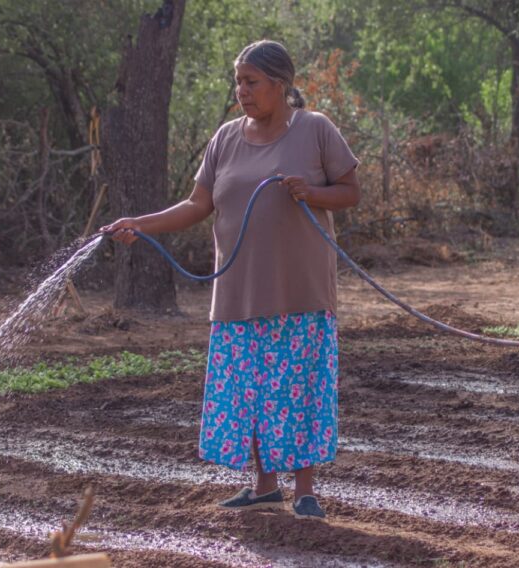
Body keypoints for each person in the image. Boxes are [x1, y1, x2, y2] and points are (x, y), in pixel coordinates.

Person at [102, 39, 360, 520]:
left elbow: (350, 191)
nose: (241, 90)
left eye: (251, 81)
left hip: (299, 290)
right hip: (237, 291)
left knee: (298, 390)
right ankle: (263, 486)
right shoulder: (225, 138)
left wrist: (314, 192)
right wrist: (141, 222)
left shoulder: (315, 129)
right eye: (238, 81)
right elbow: (197, 206)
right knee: (253, 391)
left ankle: (305, 491)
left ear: (279, 84)